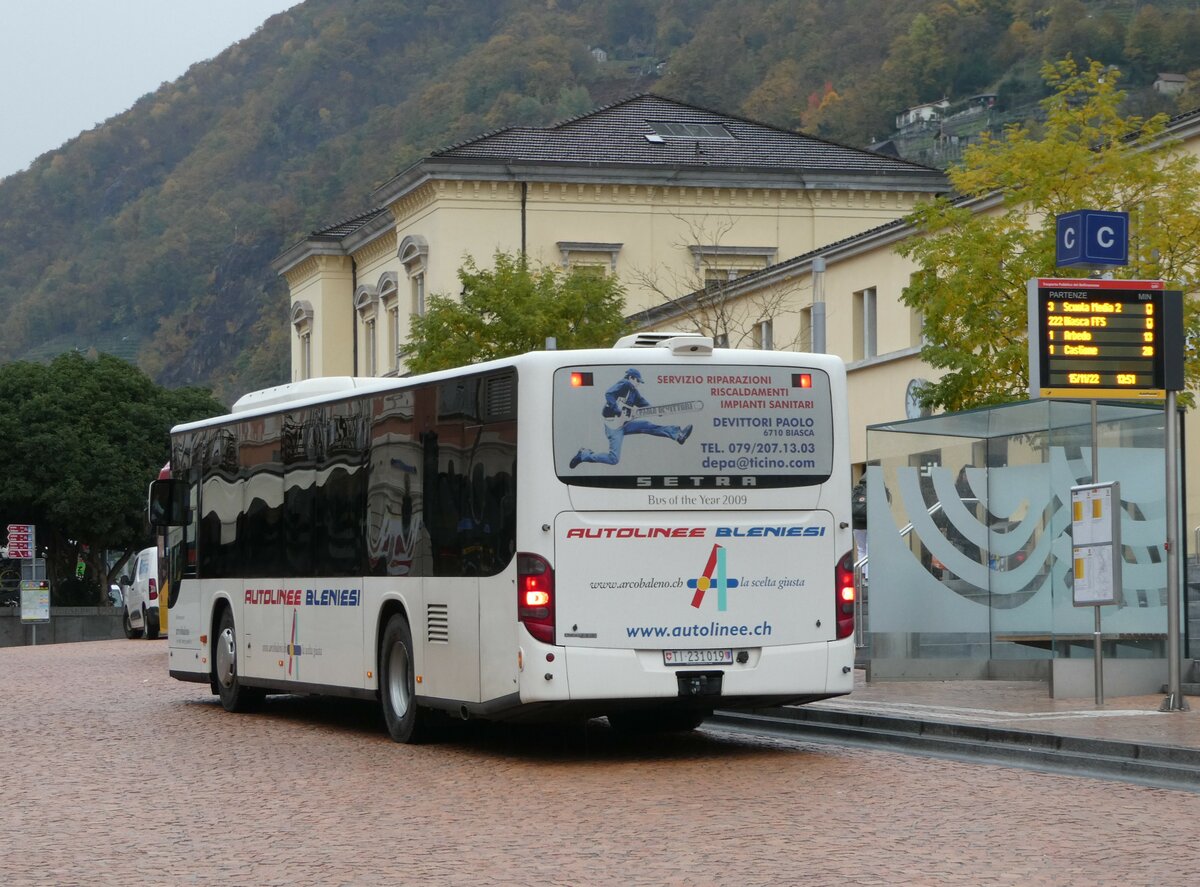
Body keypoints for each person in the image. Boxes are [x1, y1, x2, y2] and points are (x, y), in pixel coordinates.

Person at [570, 368, 692, 467]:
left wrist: (656, 410)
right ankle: (584, 455)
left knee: (648, 426)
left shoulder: (634, 392)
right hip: (613, 426)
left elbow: (642, 402)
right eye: (638, 381)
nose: (638, 384)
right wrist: (618, 411)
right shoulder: (624, 384)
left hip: (625, 423)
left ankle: (678, 435)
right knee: (613, 459)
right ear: (631, 378)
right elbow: (609, 394)